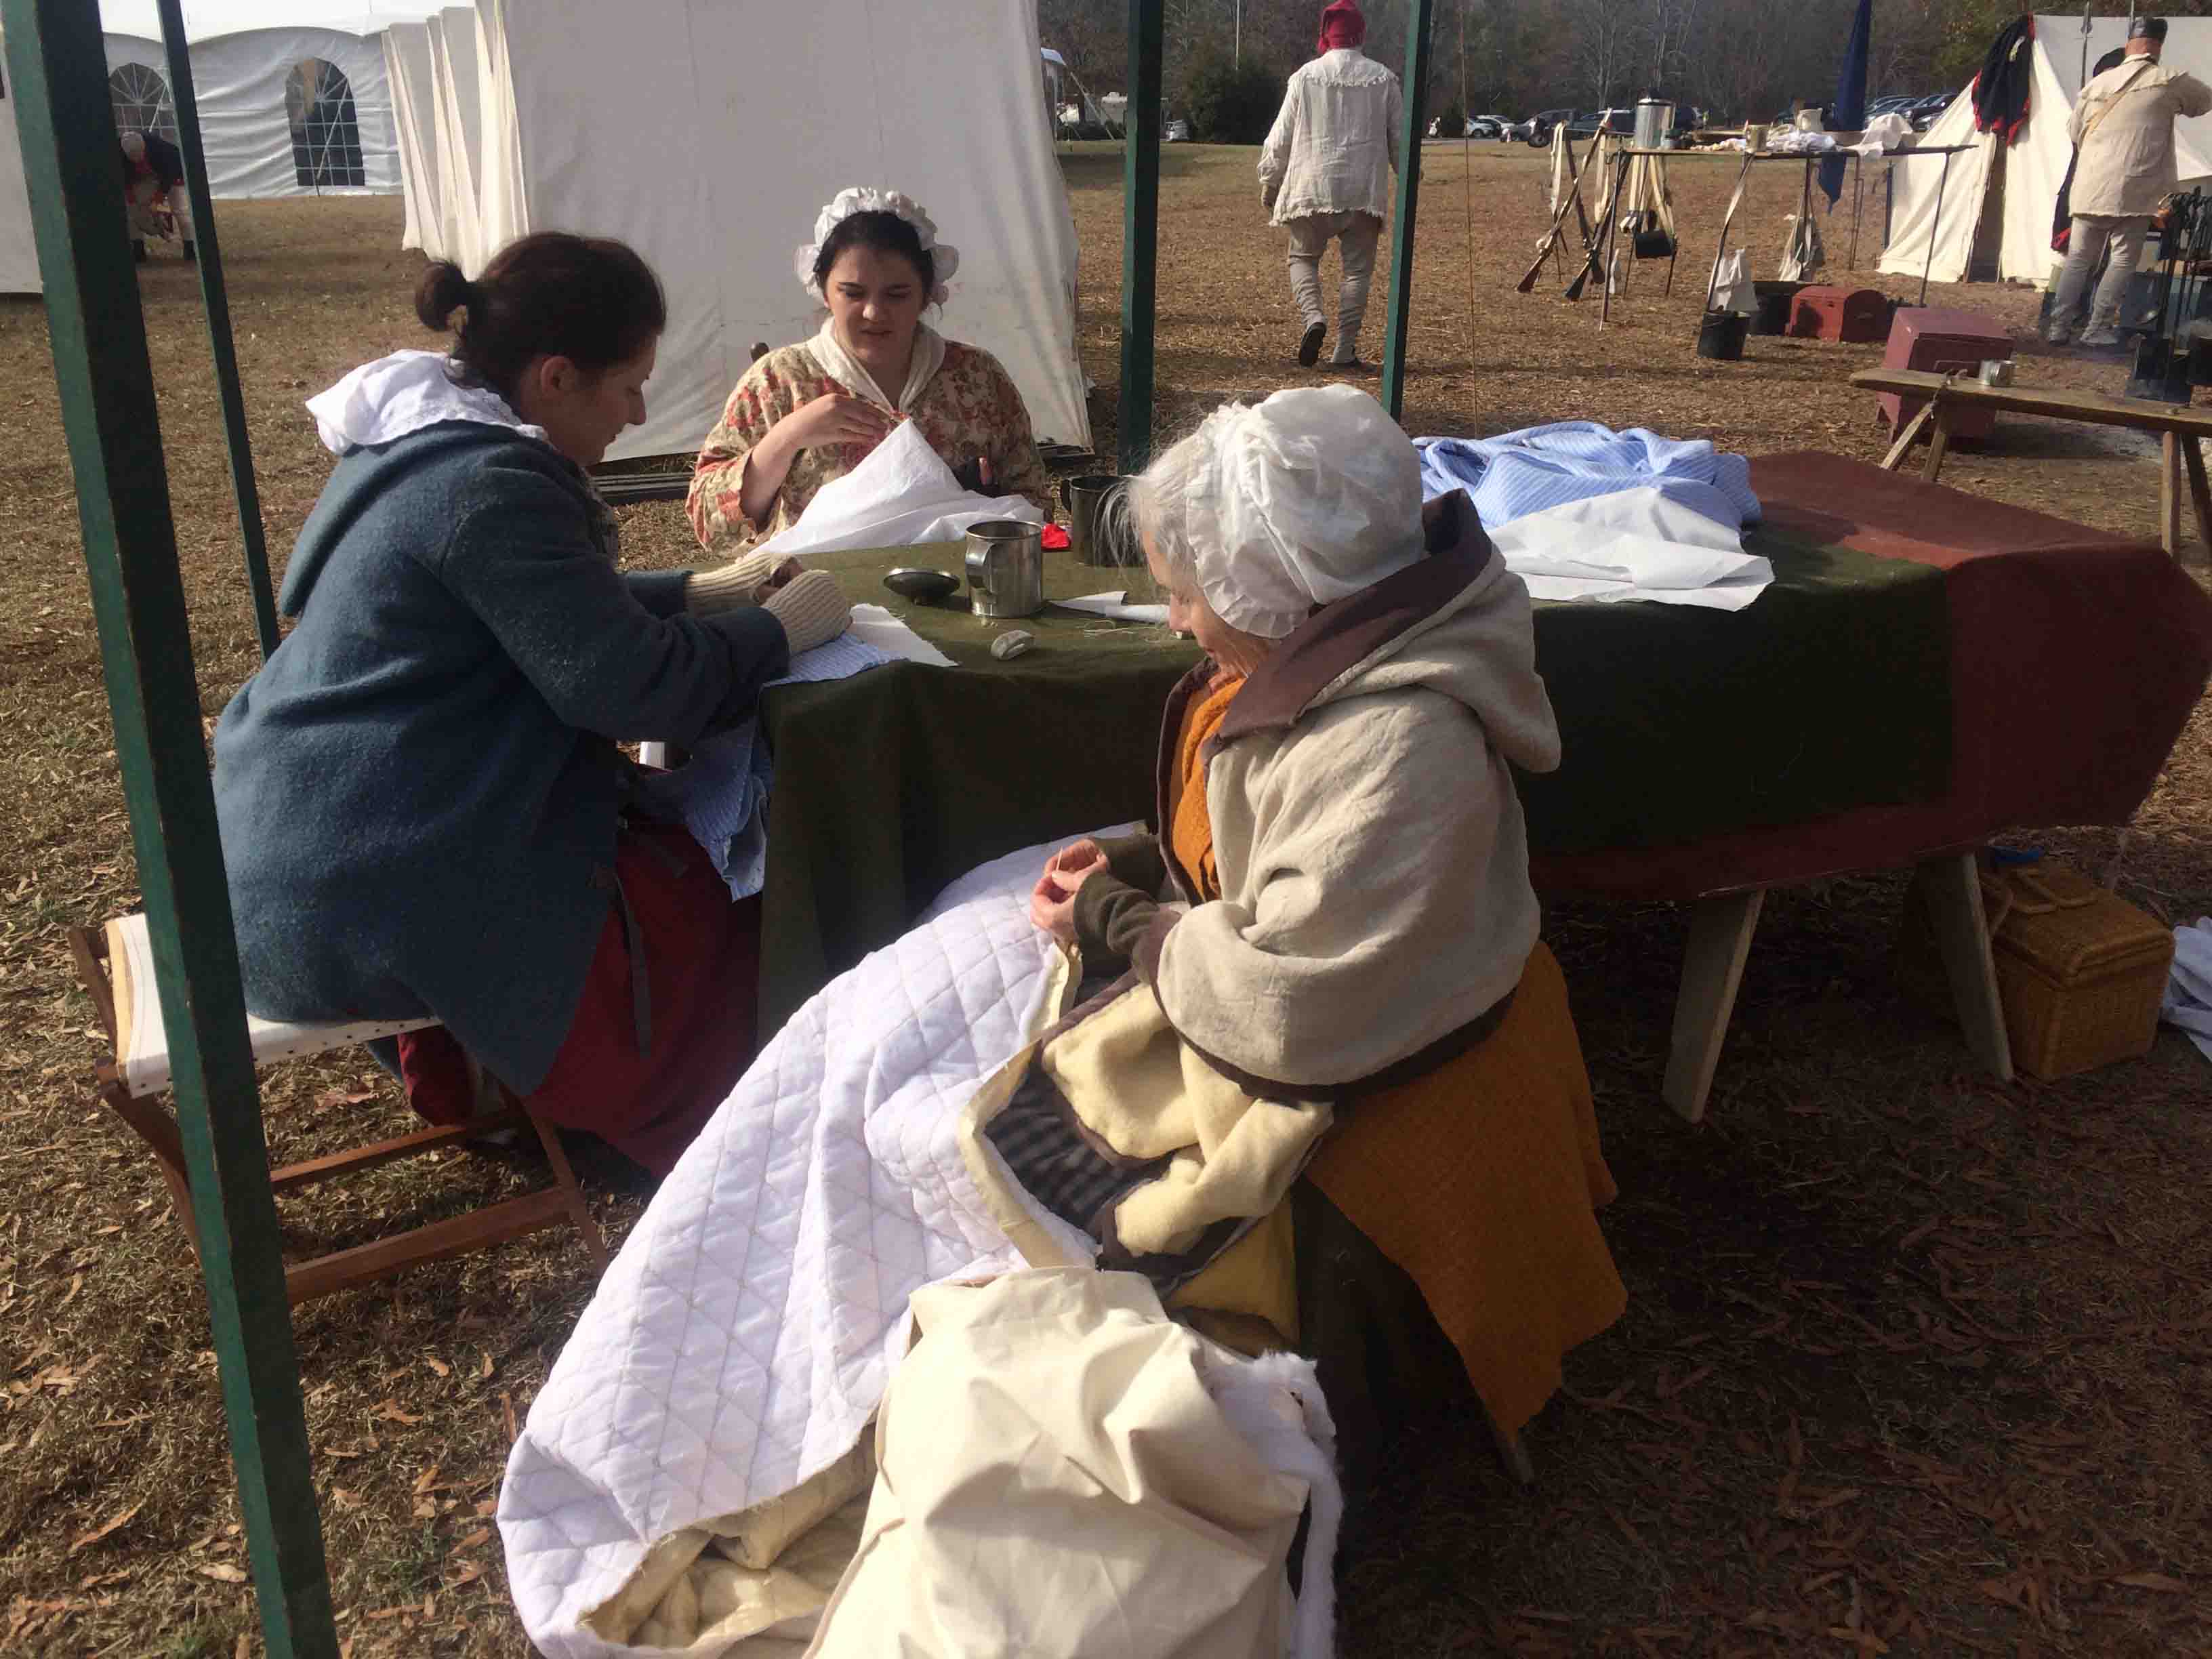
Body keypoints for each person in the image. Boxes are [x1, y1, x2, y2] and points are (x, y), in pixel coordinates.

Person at [1026, 385, 1625, 1441]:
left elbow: (1293, 1000)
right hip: (1343, 1005)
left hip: (1379, 1111)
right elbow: (1275, 866)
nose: (1175, 622)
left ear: (1279, 589)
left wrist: (1124, 923)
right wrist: (1142, 866)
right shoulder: (1310, 668)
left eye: (1186, 596)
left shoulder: (1400, 741)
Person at [213, 232, 853, 1175]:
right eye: (628, 385)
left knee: (689, 881)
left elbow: (526, 610)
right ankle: (707, 1149)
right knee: (715, 933)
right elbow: (637, 690)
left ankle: (526, 1092)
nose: (638, 413)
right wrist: (778, 630)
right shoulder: (490, 486)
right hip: (361, 888)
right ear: (556, 377)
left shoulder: (427, 444)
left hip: (299, 854)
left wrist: (696, 594)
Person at [686, 188, 1053, 556]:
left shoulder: (977, 378)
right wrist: (787, 438)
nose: (874, 313)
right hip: (815, 597)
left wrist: (974, 497)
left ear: (928, 295)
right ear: (824, 291)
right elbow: (710, 525)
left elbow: (1034, 502)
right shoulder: (779, 382)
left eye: (896, 295)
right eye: (853, 293)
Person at [2047, 16, 2212, 347]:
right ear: (2158, 47)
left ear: (2128, 45)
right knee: (2122, 259)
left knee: (2079, 259)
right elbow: (2204, 101)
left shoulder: (2096, 85)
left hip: (2091, 185)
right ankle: (2097, 329)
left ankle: (2058, 326)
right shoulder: (2168, 79)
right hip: (2135, 189)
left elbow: (2074, 132)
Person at [1257, 1, 1401, 372]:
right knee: (1357, 272)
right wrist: (1409, 177)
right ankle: (1344, 350)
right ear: (1361, 35)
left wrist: (1270, 182)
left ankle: (1313, 318)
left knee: (1302, 258)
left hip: (1311, 189)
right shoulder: (1383, 79)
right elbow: (1401, 142)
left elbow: (1279, 140)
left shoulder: (1304, 77)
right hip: (1362, 193)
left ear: (1327, 35)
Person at [120, 129, 193, 264]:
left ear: (145, 148)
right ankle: (138, 250)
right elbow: (125, 180)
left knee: (181, 211)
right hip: (144, 178)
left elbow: (169, 176)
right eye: (133, 158)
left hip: (173, 175)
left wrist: (157, 201)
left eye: (140, 156)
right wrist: (132, 201)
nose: (137, 160)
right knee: (132, 213)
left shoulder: (164, 151)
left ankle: (191, 249)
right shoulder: (118, 155)